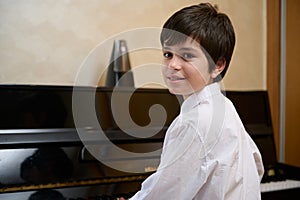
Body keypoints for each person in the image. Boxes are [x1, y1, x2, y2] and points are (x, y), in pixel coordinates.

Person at [126, 2, 264, 199]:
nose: (173, 64)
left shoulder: (194, 122)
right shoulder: (225, 107)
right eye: (168, 54)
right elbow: (256, 166)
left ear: (217, 65)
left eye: (187, 56)